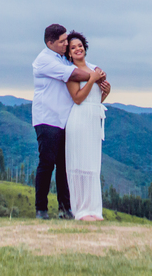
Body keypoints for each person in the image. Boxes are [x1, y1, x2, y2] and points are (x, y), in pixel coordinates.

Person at [32, 23, 106, 219]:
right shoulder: (45, 60)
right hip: (48, 118)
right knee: (47, 163)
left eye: (66, 40)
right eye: (62, 41)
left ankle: (65, 208)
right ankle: (41, 209)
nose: (66, 44)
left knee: (64, 165)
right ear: (50, 43)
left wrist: (97, 77)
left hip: (66, 119)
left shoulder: (62, 59)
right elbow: (74, 74)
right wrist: (96, 76)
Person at [63, 31, 109, 220]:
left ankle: (94, 209)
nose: (77, 49)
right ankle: (80, 209)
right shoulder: (70, 72)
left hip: (93, 119)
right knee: (79, 163)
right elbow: (78, 98)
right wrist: (91, 79)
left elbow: (95, 98)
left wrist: (106, 91)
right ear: (69, 53)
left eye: (80, 45)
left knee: (92, 164)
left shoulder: (95, 68)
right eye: (73, 48)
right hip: (79, 119)